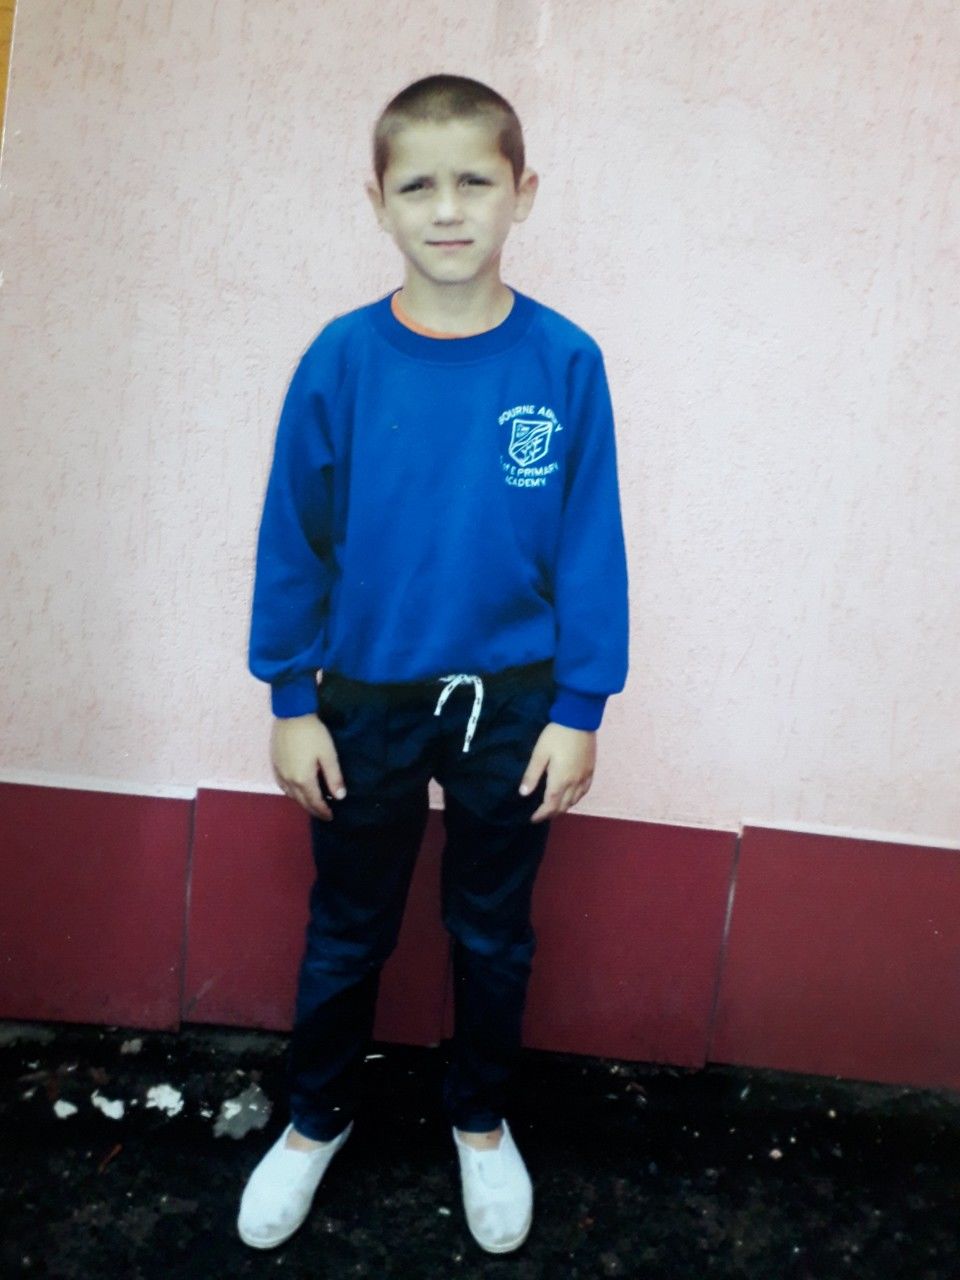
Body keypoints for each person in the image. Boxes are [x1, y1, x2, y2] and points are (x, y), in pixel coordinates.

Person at [237, 73, 629, 1255]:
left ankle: (480, 1117)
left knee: (492, 928)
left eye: (474, 181)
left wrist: (579, 704)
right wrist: (290, 695)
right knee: (349, 923)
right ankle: (314, 1117)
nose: (448, 209)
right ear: (378, 203)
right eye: (418, 185)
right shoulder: (341, 360)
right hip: (364, 698)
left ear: (523, 194)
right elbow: (294, 536)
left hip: (514, 704)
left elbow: (591, 539)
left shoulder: (563, 362)